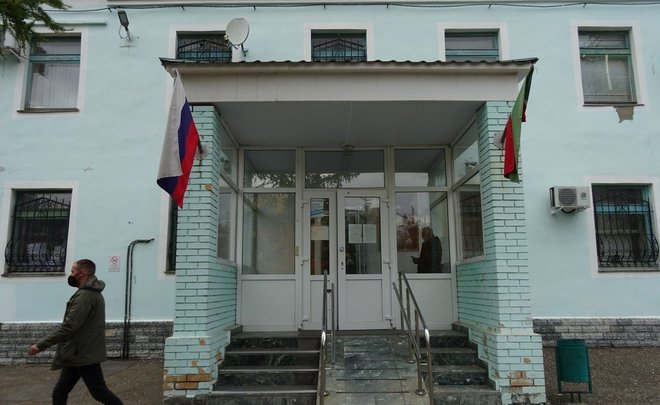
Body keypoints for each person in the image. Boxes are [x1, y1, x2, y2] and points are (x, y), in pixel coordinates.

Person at [28, 259, 123, 405]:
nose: (71, 274)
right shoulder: (89, 293)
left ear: (82, 273)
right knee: (60, 391)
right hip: (76, 352)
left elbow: (69, 326)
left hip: (83, 354)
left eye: (73, 271)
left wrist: (40, 345)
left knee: (99, 392)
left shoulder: (85, 296)